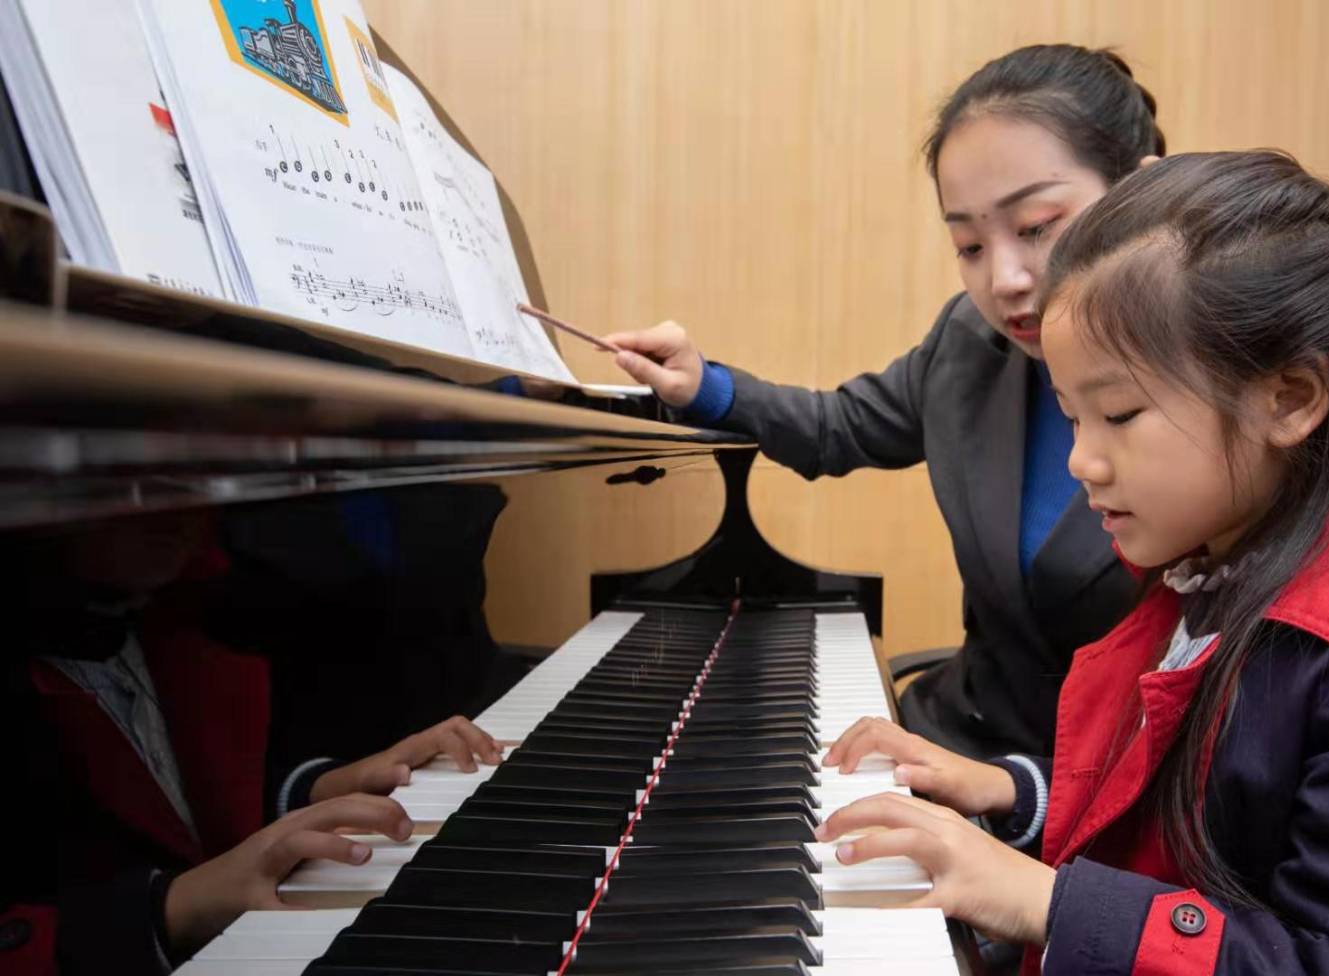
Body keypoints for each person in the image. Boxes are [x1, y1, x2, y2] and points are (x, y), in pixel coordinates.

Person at [817, 151, 1329, 975]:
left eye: (1120, 415)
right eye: (1072, 418)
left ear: (1289, 398)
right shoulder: (1209, 573)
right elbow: (1203, 822)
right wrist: (1015, 793)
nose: (1082, 463)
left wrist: (1045, 902)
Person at [605, 44, 1164, 758]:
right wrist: (703, 385)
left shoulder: (1220, 391)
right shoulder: (969, 342)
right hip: (962, 741)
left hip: (1116, 790)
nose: (1005, 280)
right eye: (968, 245)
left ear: (1147, 194)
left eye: (1036, 227)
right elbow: (839, 428)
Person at [0, 512, 503, 974]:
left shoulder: (179, 624)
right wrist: (175, 906)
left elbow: (196, 799)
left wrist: (323, 787)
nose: (176, 500)